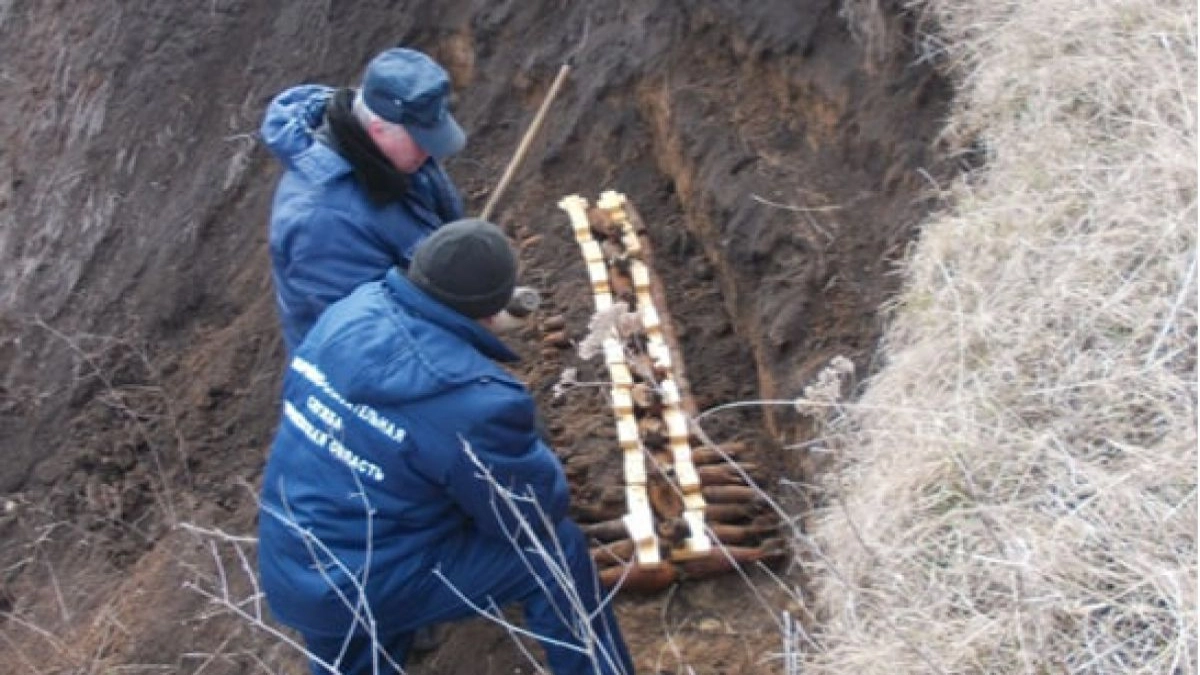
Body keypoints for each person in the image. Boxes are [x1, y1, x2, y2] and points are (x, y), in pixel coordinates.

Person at [257, 219, 635, 675]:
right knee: (555, 555)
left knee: (353, 640)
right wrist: (533, 451)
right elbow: (526, 514)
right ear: (489, 312)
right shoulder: (474, 401)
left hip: (295, 561)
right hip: (370, 573)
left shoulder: (350, 311)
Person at [261, 47, 467, 352]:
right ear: (378, 129)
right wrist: (465, 317)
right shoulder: (322, 223)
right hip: (370, 378)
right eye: (421, 142)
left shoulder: (394, 155)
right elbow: (366, 344)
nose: (429, 152)